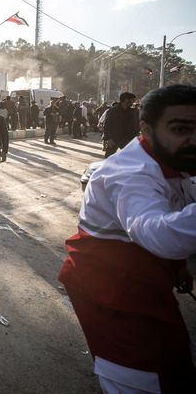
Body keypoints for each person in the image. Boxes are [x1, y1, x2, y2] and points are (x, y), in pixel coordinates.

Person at [58, 85, 196, 393]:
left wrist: (178, 267)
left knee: (173, 360)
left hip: (147, 279)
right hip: (111, 288)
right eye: (181, 128)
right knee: (135, 374)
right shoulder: (130, 173)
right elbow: (156, 231)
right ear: (145, 128)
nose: (194, 138)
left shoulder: (172, 159)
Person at [102, 92, 140, 158]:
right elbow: (107, 125)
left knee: (129, 159)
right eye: (132, 100)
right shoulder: (113, 110)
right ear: (126, 100)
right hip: (114, 139)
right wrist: (109, 138)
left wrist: (136, 134)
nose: (133, 102)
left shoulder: (133, 112)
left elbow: (136, 124)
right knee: (108, 158)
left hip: (127, 139)